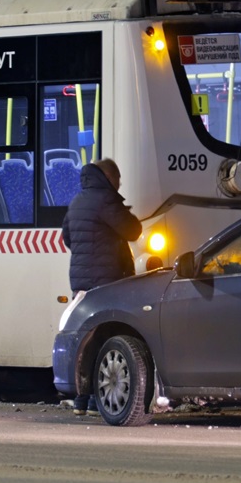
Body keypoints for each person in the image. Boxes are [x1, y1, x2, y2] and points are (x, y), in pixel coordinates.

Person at [60, 158, 142, 414]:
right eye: (117, 180)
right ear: (108, 177)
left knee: (87, 337)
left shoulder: (77, 201)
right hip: (106, 278)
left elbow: (67, 237)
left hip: (82, 280)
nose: (119, 185)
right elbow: (133, 230)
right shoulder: (106, 200)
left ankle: (82, 400)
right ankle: (95, 400)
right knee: (106, 335)